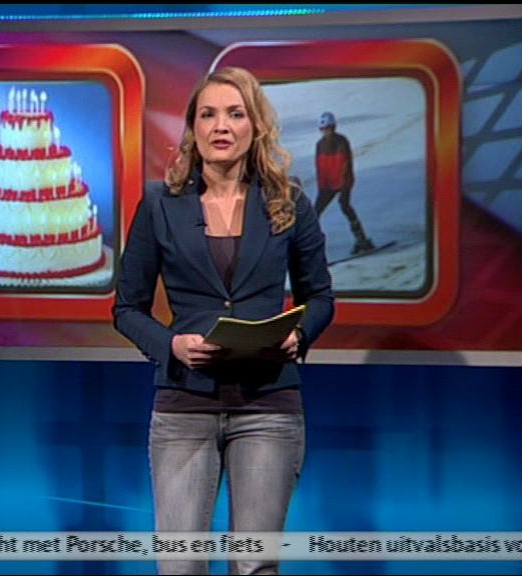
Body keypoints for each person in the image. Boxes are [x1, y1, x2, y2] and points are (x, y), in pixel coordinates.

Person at [113, 67, 334, 575]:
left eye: (235, 114)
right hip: (184, 406)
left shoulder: (288, 202)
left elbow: (320, 296)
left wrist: (299, 334)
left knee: (254, 566)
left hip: (268, 406)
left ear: (255, 125)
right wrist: (172, 346)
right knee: (181, 567)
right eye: (208, 114)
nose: (221, 126)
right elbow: (127, 309)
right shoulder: (160, 204)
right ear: (192, 127)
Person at [314, 111, 375, 255]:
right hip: (328, 184)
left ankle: (361, 240)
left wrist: (343, 184)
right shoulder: (319, 145)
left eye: (329, 128)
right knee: (315, 212)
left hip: (343, 181)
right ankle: (309, 246)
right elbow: (320, 168)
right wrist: (322, 186)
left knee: (345, 205)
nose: (326, 132)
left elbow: (346, 163)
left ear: (334, 127)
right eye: (323, 129)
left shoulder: (341, 141)